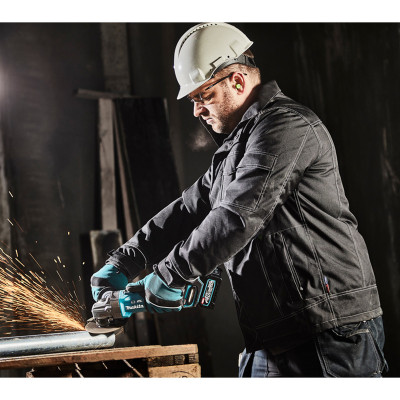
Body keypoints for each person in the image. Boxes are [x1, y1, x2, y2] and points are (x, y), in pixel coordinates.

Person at [91, 22, 388, 377]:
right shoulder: (237, 147)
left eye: (203, 96)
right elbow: (187, 209)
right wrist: (126, 260)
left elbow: (238, 216)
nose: (197, 110)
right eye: (194, 99)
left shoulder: (286, 127)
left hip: (328, 329)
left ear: (236, 80)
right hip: (272, 332)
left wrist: (170, 274)